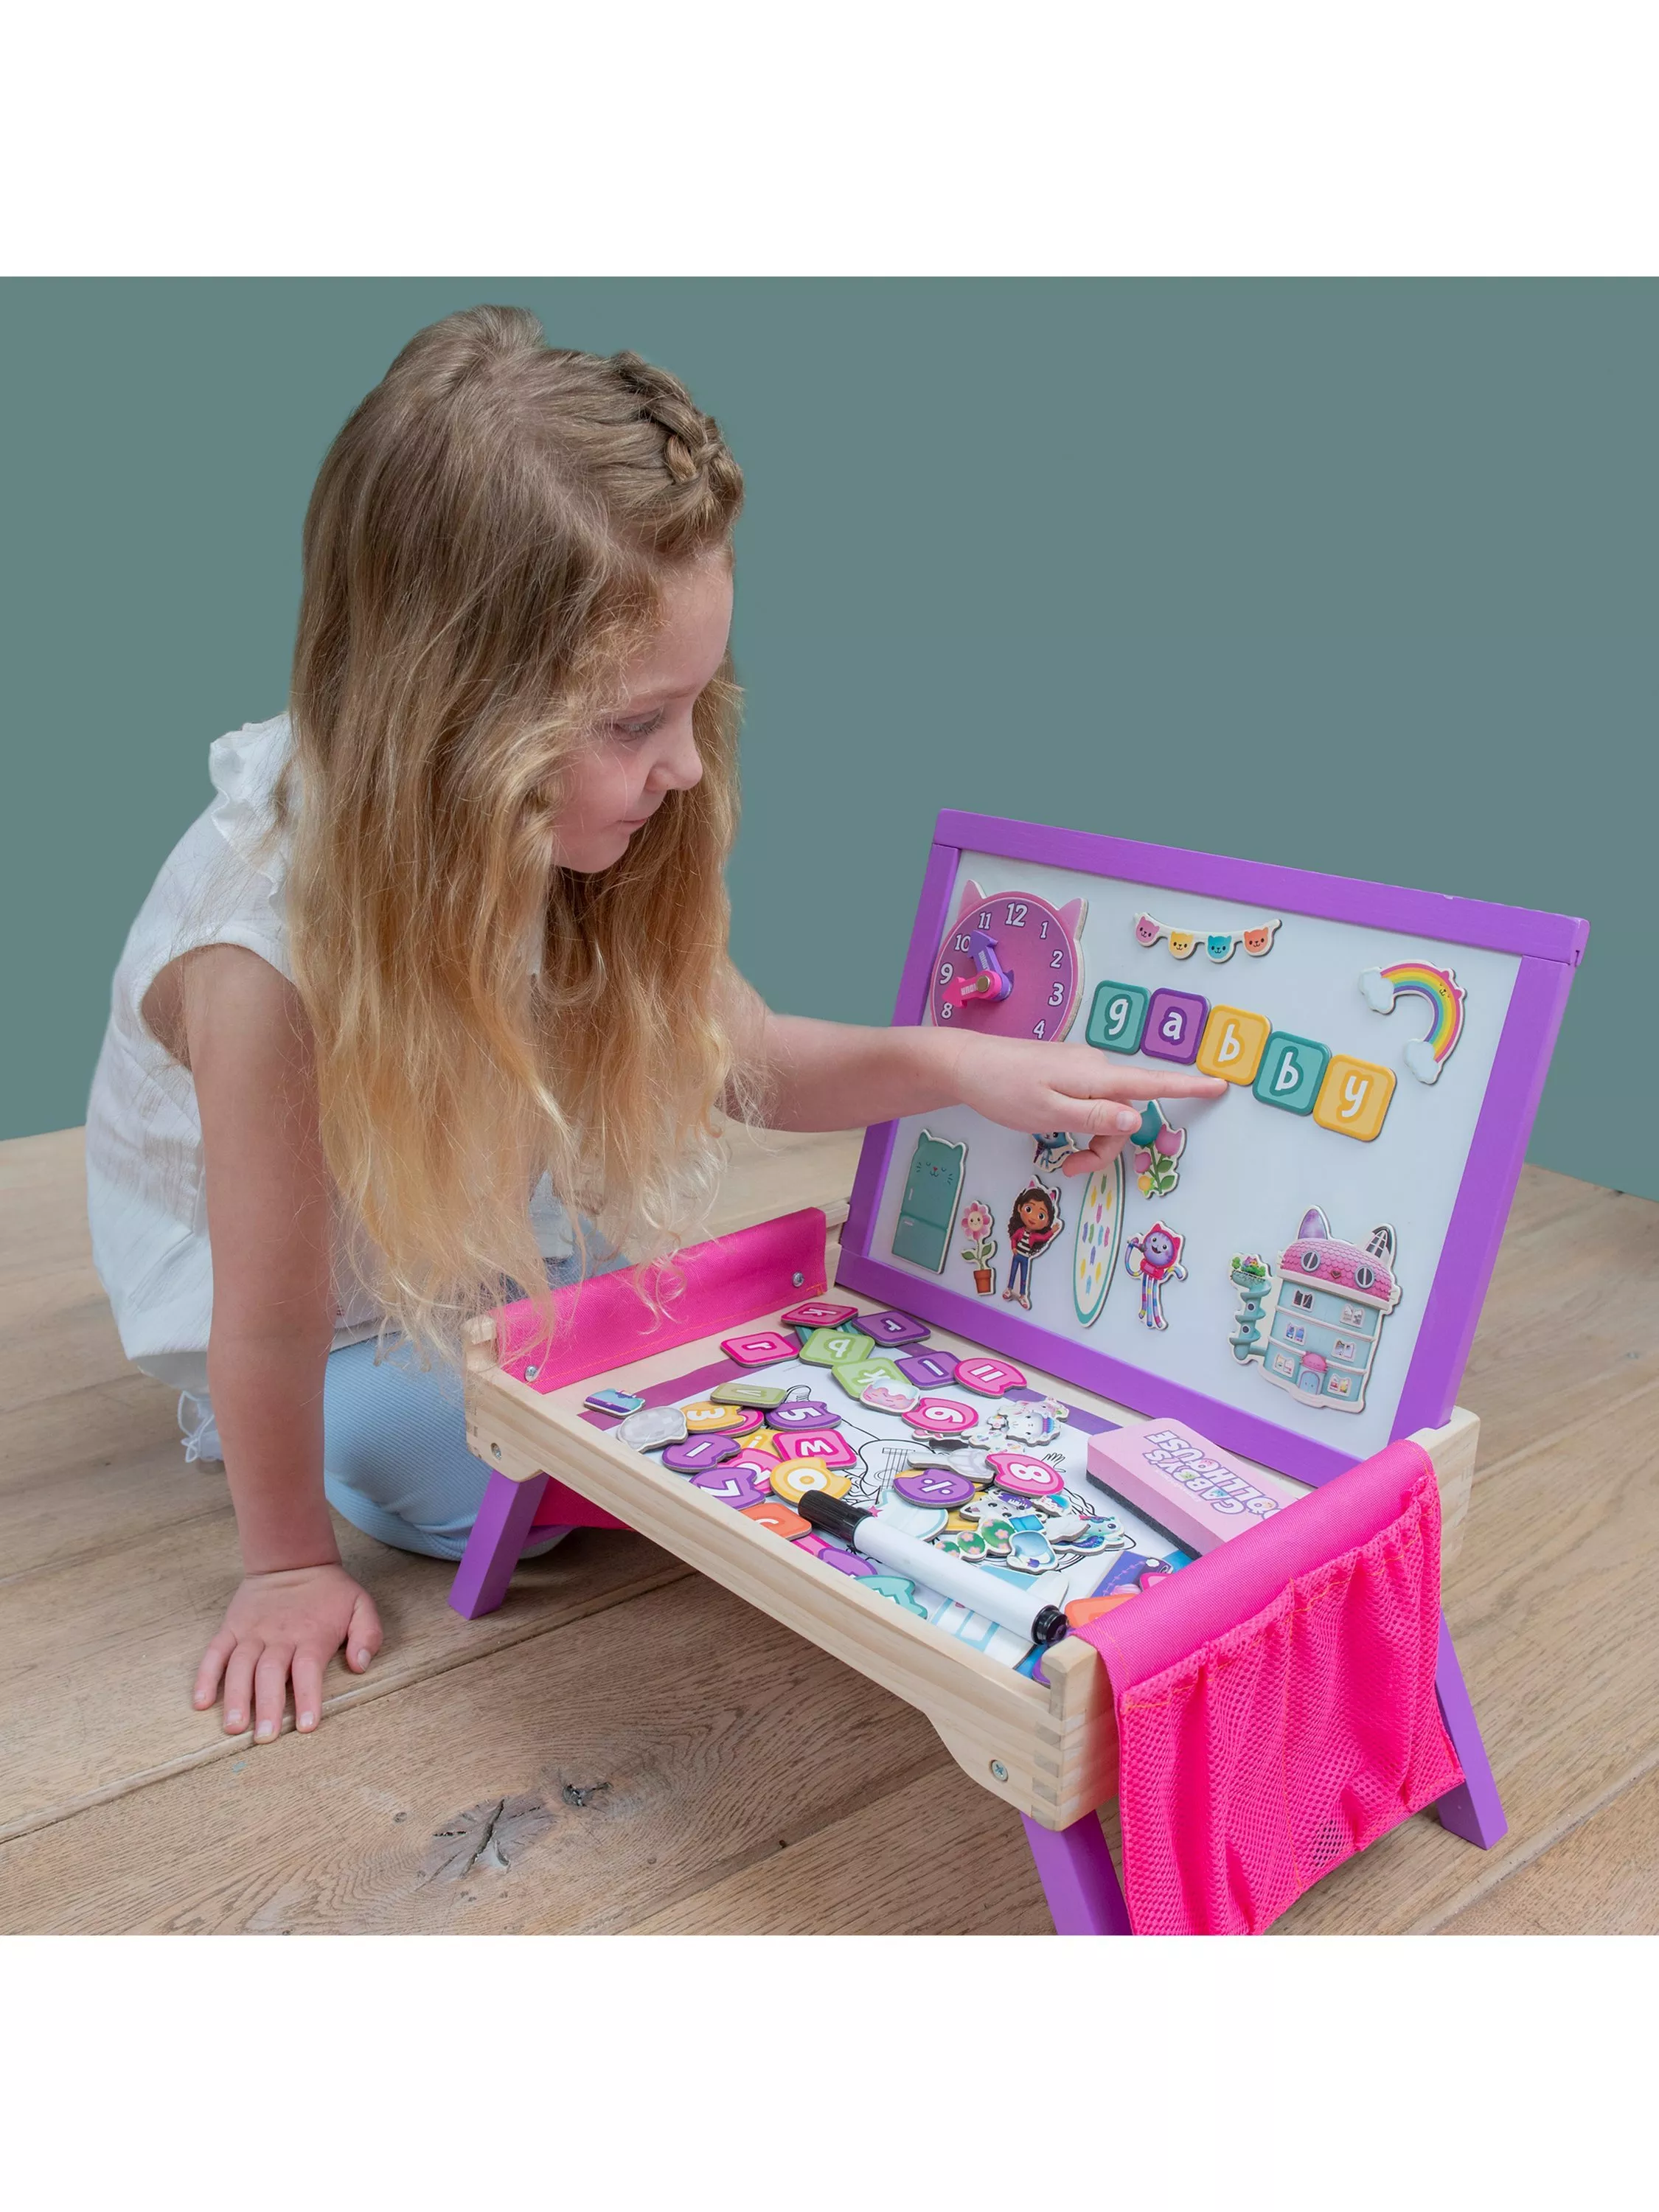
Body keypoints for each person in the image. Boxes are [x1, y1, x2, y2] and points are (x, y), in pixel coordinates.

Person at [86, 305, 1222, 1747]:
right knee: (479, 1455)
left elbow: (747, 1061)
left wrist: (954, 1065)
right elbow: (268, 1317)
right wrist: (287, 1565)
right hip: (335, 1323)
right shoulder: (263, 959)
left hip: (485, 1227)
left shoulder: (581, 842)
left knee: (705, 1368)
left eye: (696, 704)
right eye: (635, 723)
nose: (684, 765)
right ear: (456, 723)